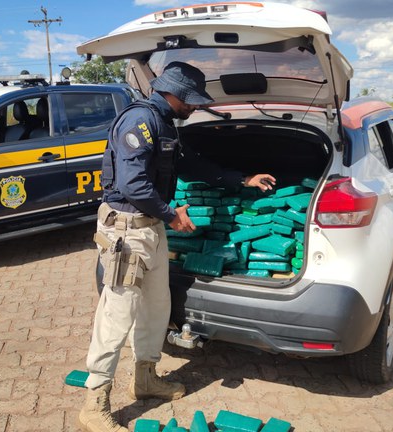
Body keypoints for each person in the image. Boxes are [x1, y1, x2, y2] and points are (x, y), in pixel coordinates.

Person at [79, 61, 276, 432]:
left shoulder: (165, 123)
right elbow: (133, 184)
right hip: (127, 232)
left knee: (157, 308)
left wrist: (243, 178)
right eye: (192, 101)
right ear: (175, 95)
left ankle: (146, 378)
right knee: (117, 314)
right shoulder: (139, 122)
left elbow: (190, 166)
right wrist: (172, 216)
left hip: (151, 229)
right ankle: (95, 401)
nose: (195, 108)